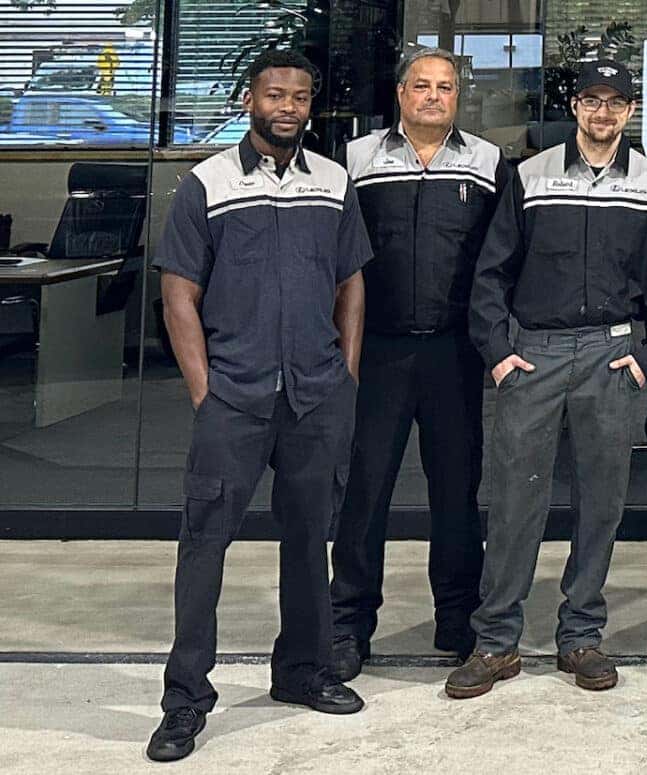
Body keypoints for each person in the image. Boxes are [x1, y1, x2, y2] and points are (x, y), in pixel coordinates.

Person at [146, 49, 372, 762]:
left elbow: (351, 283)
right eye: (275, 94)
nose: (288, 107)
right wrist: (204, 390)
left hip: (315, 395)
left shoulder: (333, 182)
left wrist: (345, 375)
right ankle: (185, 700)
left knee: (308, 540)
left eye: (300, 97)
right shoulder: (208, 183)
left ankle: (302, 671)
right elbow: (178, 294)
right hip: (235, 398)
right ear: (250, 100)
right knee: (204, 545)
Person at [446, 59, 647, 699]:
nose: (603, 112)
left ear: (630, 111)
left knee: (601, 503)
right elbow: (492, 271)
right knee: (514, 502)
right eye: (591, 101)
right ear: (575, 107)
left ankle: (581, 635)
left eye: (615, 102)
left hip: (612, 354)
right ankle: (496, 641)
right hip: (535, 355)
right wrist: (499, 350)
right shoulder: (531, 176)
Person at [329, 47, 505, 680]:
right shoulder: (355, 159)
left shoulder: (487, 162)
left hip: (454, 353)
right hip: (377, 351)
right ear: (401, 94)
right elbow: (336, 257)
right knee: (365, 490)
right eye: (422, 86)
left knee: (457, 490)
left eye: (446, 87)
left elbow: (498, 262)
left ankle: (457, 620)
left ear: (458, 97)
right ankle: (347, 625)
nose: (434, 96)